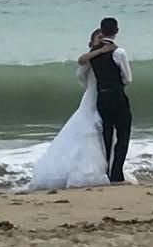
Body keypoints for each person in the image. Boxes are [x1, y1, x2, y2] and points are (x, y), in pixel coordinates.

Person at [31, 29, 115, 190]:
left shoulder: (111, 56)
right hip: (92, 97)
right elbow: (81, 68)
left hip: (106, 97)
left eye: (103, 37)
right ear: (92, 42)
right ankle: (88, 171)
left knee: (106, 131)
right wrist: (101, 51)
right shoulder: (92, 58)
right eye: (98, 38)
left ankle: (109, 168)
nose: (102, 40)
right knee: (89, 129)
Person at [89, 17, 133, 183]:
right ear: (116, 31)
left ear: (102, 30)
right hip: (117, 96)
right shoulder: (119, 52)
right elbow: (128, 78)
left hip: (102, 96)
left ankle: (106, 170)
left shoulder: (93, 53)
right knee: (123, 134)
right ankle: (117, 173)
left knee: (107, 135)